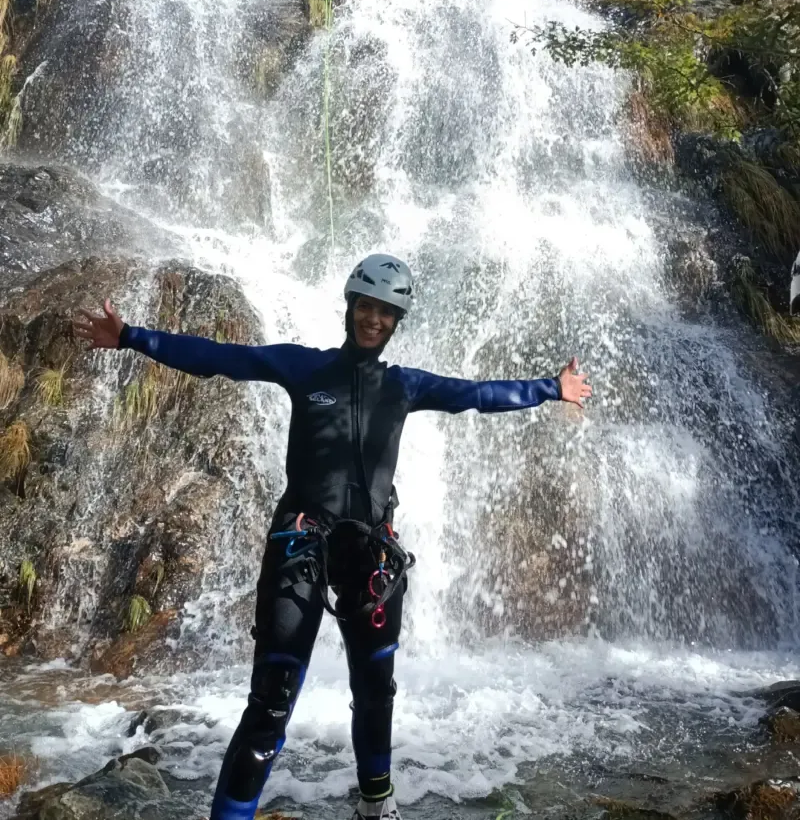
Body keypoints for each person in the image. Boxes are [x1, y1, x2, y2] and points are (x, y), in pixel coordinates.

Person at [73, 253, 592, 820]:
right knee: (271, 701)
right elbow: (221, 358)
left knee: (376, 692)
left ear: (396, 321)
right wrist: (130, 337)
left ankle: (376, 805)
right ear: (350, 307)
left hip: (371, 556)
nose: (374, 319)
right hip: (301, 546)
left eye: (386, 312)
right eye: (366, 307)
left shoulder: (405, 386)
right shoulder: (305, 368)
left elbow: (478, 394)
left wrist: (552, 387)